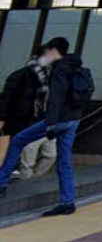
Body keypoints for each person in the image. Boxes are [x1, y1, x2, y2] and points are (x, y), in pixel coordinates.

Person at [0, 38, 89, 216]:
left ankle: (1, 183)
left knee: (18, 140)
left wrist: (51, 123)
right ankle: (67, 202)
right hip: (73, 120)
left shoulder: (59, 68)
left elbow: (55, 97)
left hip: (58, 119)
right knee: (64, 162)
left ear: (55, 51)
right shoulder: (80, 68)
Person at [0, 53, 56, 181]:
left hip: (46, 122)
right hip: (24, 121)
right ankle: (24, 180)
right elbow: (6, 97)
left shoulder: (51, 79)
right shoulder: (20, 75)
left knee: (51, 155)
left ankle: (31, 179)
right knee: (27, 156)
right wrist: (2, 117)